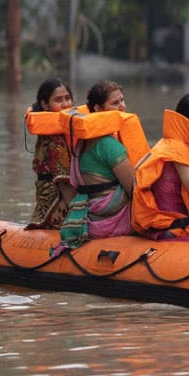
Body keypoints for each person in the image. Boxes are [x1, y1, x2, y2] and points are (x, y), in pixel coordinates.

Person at [55, 82, 138, 251]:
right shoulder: (108, 145)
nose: (122, 106)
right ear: (98, 109)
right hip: (108, 217)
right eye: (115, 103)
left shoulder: (81, 142)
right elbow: (133, 189)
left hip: (90, 213)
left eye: (122, 100)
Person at [130, 92, 189, 243]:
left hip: (184, 222)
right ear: (186, 121)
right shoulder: (176, 148)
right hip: (174, 228)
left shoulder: (176, 142)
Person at [26, 77, 75, 231]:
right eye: (58, 100)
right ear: (45, 104)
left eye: (68, 98)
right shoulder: (54, 137)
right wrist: (79, 214)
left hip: (45, 201)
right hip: (57, 202)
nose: (65, 104)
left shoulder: (56, 129)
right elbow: (64, 182)